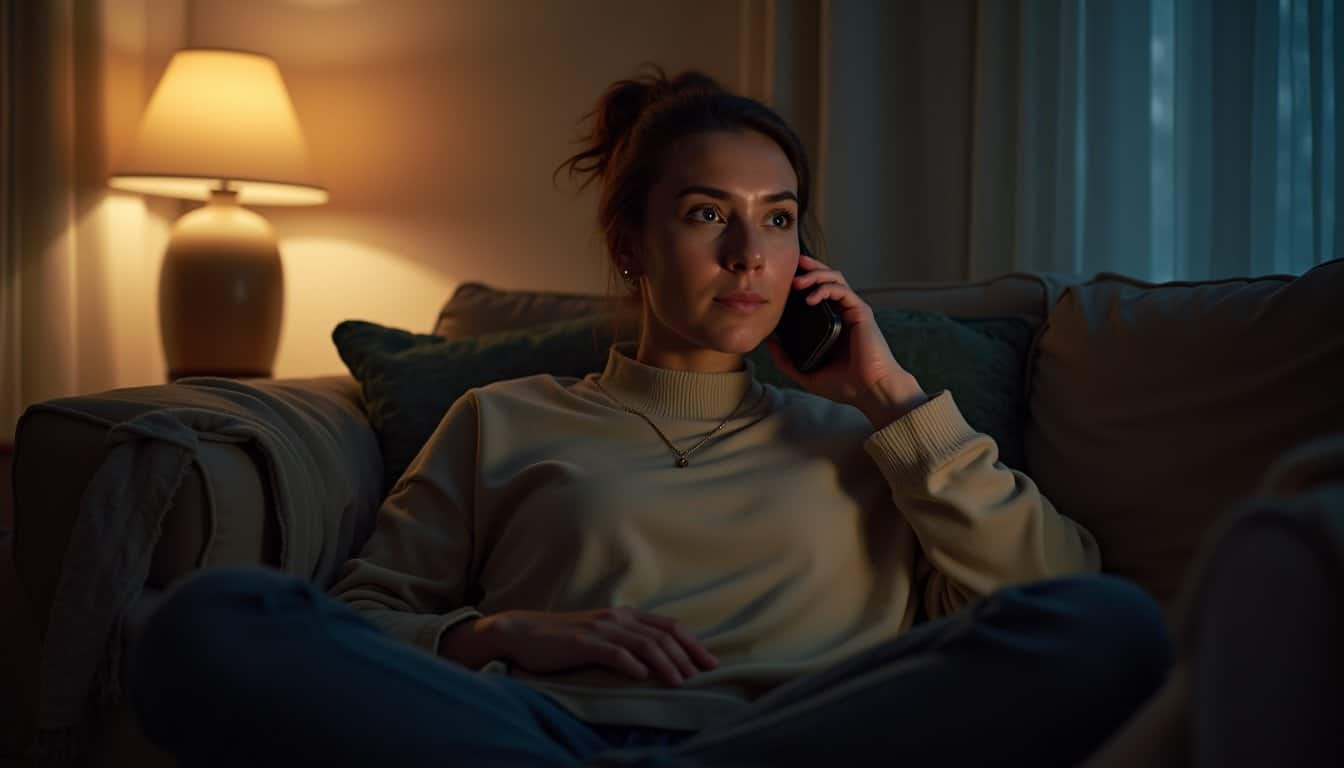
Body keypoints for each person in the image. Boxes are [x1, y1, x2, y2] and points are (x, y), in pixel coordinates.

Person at [129, 68, 1171, 767]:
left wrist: (890, 399)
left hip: (786, 739)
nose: (748, 255)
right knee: (209, 622)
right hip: (538, 739)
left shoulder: (875, 442)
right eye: (707, 213)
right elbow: (360, 622)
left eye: (778, 218)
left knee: (1111, 626)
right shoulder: (502, 420)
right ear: (631, 244)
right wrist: (502, 633)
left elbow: (1054, 594)